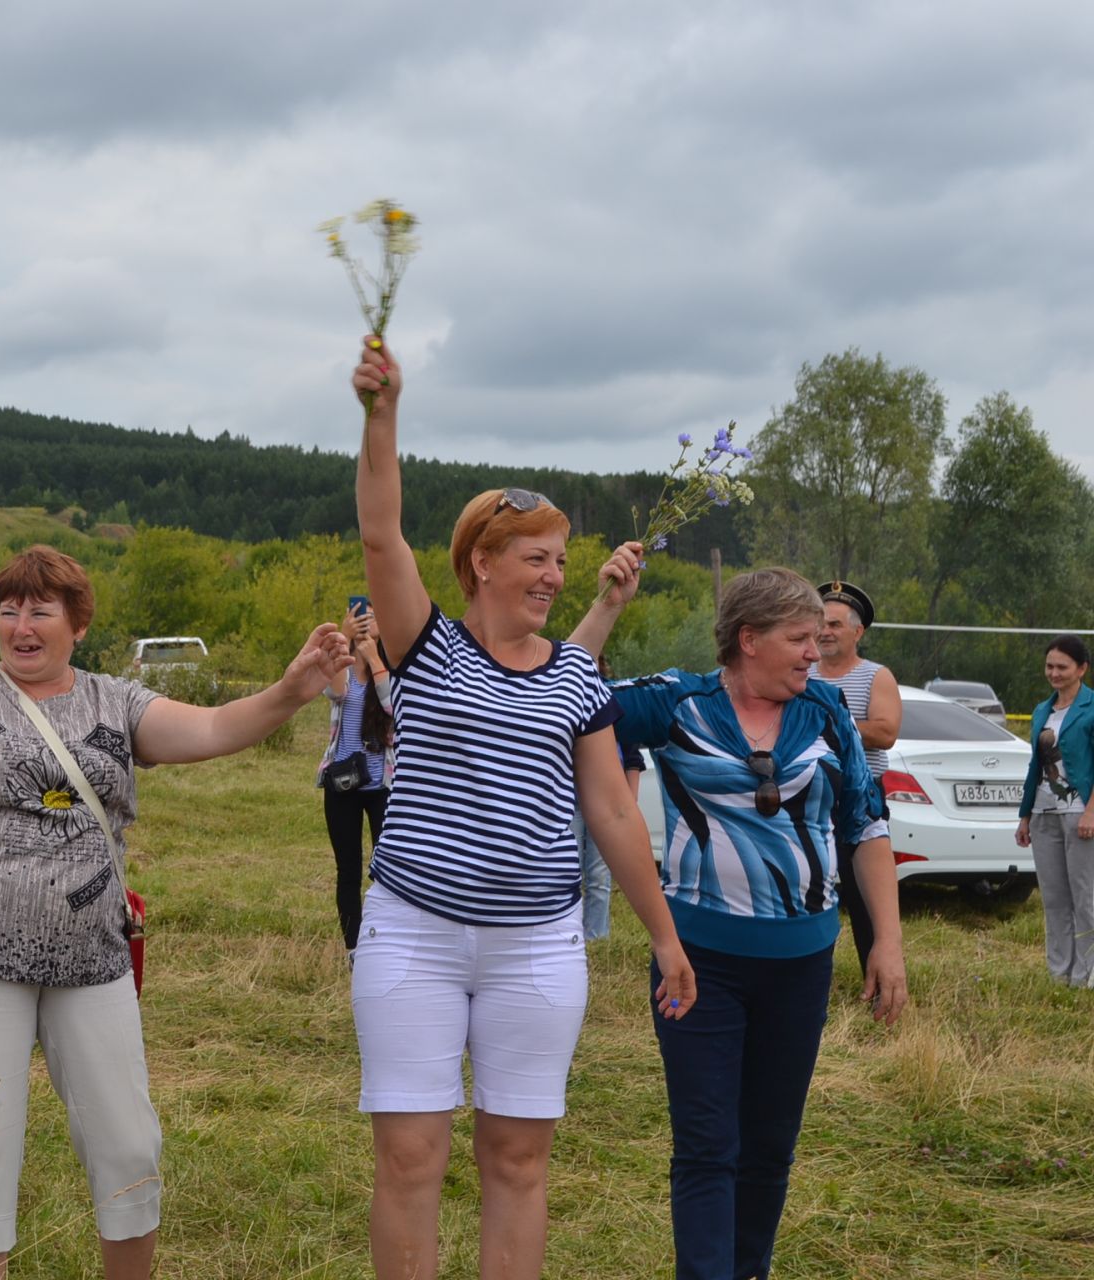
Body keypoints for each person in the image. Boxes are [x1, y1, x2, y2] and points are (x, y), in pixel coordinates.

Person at [0, 544, 348, 1280]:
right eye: (9, 609)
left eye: (41, 609)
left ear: (77, 623)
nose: (21, 623)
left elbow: (211, 728)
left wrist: (291, 690)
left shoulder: (117, 702)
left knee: (129, 1145)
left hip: (93, 961)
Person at [348, 336, 696, 1280]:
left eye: (560, 561)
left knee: (518, 1160)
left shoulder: (579, 676)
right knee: (411, 1158)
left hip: (536, 946)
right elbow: (382, 534)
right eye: (535, 559)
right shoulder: (427, 648)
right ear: (482, 564)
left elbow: (614, 815)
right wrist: (382, 416)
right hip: (413, 936)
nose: (552, 575)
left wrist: (663, 936)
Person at [572, 565, 909, 1280]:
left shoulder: (826, 716)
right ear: (748, 640)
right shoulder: (678, 702)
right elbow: (561, 695)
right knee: (706, 1144)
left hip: (803, 966)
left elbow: (867, 826)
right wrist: (607, 605)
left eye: (818, 640)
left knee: (768, 1146)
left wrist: (888, 943)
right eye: (800, 640)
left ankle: (748, 1268)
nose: (815, 655)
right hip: (697, 966)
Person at [809, 581, 901, 979]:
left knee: (866, 898)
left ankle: (879, 978)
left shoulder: (876, 676)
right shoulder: (802, 671)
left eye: (834, 624)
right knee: (809, 889)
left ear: (857, 631)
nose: (825, 632)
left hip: (858, 798)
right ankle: (807, 981)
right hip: (808, 796)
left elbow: (885, 732)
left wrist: (828, 723)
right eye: (819, 624)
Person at [1016, 635, 1094, 989]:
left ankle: (1086, 976)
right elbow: (1037, 764)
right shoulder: (1041, 710)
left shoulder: (1091, 708)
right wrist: (1025, 815)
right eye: (1050, 666)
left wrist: (1091, 812)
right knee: (1054, 898)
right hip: (1044, 812)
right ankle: (1059, 973)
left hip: (1080, 813)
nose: (1054, 673)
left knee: (1085, 897)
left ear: (1081, 669)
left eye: (1062, 667)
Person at [318, 600, 394, 955]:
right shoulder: (345, 670)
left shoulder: (393, 665)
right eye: (361, 615)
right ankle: (354, 949)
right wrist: (342, 641)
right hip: (342, 785)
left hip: (383, 787)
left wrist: (375, 657)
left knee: (388, 868)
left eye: (373, 616)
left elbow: (394, 705)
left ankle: (385, 941)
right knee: (347, 869)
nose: (366, 622)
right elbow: (335, 692)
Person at [574, 651, 648, 942]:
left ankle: (597, 937)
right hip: (571, 802)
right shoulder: (561, 700)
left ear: (600, 665)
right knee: (569, 872)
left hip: (608, 801)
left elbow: (633, 757)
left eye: (590, 661)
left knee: (599, 875)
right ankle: (569, 935)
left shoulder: (614, 702)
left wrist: (629, 804)